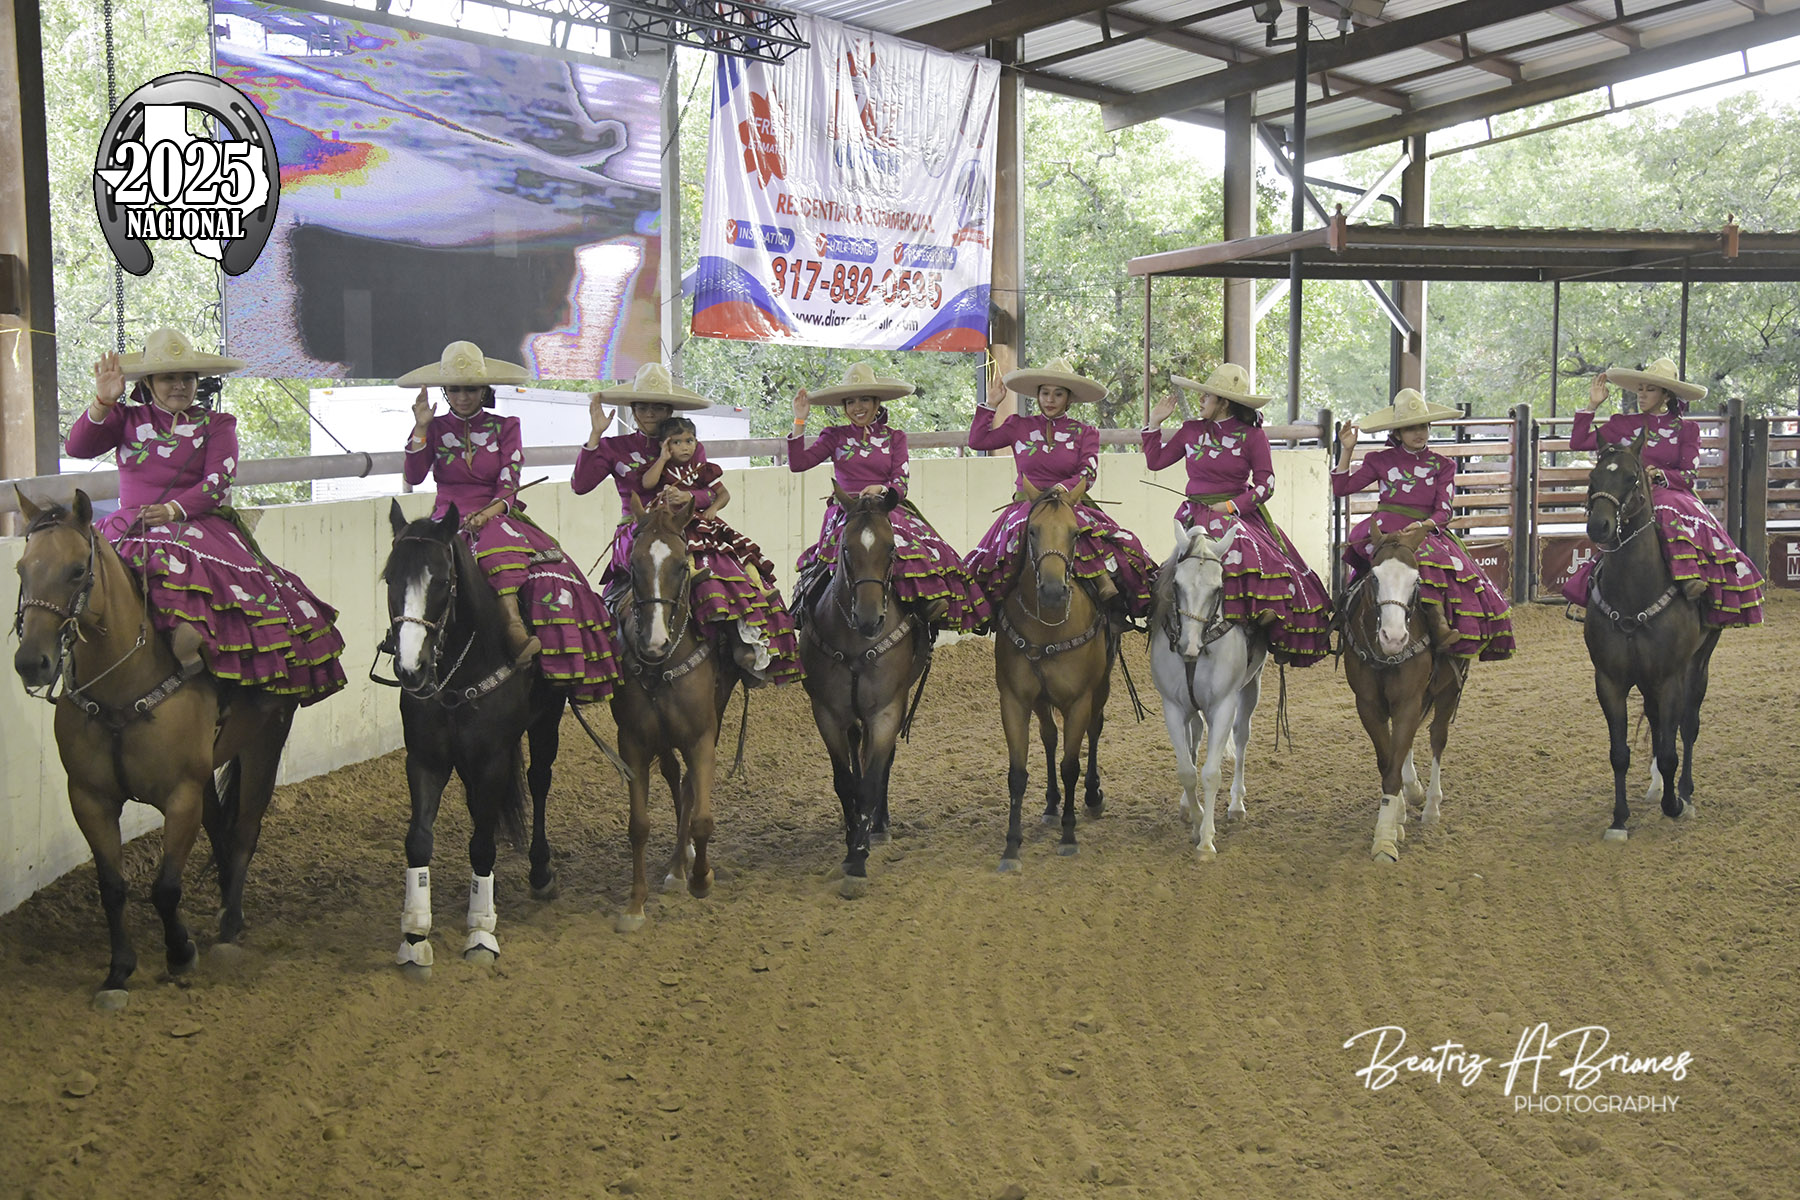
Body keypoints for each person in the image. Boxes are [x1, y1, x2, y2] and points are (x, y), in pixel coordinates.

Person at [64, 327, 346, 699]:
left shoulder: (217, 424)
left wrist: (173, 510)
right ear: (148, 382)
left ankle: (198, 651)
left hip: (194, 523)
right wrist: (102, 401)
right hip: (129, 524)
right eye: (168, 378)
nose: (179, 386)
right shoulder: (125, 418)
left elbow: (218, 480)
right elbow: (77, 447)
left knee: (180, 564)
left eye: (188, 377)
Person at [398, 340, 619, 698]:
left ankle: (516, 627)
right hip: (446, 519)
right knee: (410, 566)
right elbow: (414, 473)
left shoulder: (506, 426)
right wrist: (420, 426)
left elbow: (509, 483)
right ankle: (405, 642)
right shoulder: (432, 428)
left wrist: (488, 512)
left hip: (495, 512)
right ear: (445, 392)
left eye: (471, 389)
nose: (462, 397)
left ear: (484, 390)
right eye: (454, 389)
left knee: (517, 554)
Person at [1143, 363, 1330, 665]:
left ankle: (1259, 618)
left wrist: (1231, 507)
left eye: (1207, 396)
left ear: (1224, 403)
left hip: (1236, 514)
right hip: (1196, 512)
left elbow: (1267, 484)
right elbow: (1155, 461)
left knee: (1254, 552)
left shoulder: (1253, 436)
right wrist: (1154, 423)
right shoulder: (1190, 430)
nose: (1201, 400)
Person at [787, 361, 989, 633]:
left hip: (887, 507)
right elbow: (798, 463)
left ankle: (924, 606)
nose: (857, 407)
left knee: (917, 547)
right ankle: (806, 605)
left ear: (876, 402)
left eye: (864, 400)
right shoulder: (834, 436)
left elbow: (901, 482)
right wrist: (800, 420)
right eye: (850, 402)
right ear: (844, 407)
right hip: (847, 511)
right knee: (830, 559)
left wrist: (881, 489)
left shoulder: (895, 438)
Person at [1561, 358, 1764, 625]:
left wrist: (1660, 475)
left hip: (1671, 492)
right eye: (1640, 389)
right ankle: (1594, 583)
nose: (1642, 394)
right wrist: (1592, 405)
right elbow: (1578, 443)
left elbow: (1688, 476)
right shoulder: (1623, 423)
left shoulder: (1687, 429)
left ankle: (1690, 578)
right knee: (1604, 512)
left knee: (1667, 508)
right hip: (1630, 493)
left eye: (1650, 389)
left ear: (1666, 395)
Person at [963, 357, 1157, 625]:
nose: (1050, 400)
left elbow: (1088, 472)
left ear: (1069, 399)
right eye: (1045, 393)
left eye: (1058, 394)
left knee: (1109, 541)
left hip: (1068, 503)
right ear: (1037, 396)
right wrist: (991, 404)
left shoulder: (1085, 432)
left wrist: (1063, 488)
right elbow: (977, 441)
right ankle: (994, 609)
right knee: (1003, 546)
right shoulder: (1018, 425)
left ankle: (1112, 601)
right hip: (1026, 506)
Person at [1331, 388, 1514, 661]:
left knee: (1433, 563)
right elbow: (1342, 488)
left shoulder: (1443, 465)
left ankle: (1440, 624)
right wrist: (1347, 450)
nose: (1419, 433)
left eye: (1423, 426)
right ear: (1397, 433)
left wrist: (1424, 525)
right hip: (1383, 528)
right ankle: (1347, 615)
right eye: (1410, 428)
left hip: (1424, 531)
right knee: (1376, 565)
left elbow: (1444, 510)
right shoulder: (1379, 460)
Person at [629, 416, 803, 685]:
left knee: (730, 574)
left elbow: (723, 494)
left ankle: (742, 641)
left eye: (689, 440)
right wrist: (662, 458)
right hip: (671, 531)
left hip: (702, 530)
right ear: (665, 445)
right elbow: (647, 484)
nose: (685, 447)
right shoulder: (659, 468)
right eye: (677, 442)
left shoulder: (702, 468)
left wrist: (705, 505)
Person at [571, 361, 710, 596]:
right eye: (642, 408)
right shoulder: (613, 447)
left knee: (719, 574)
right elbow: (580, 486)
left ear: (669, 411)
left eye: (658, 408)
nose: (650, 414)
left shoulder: (689, 447)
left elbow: (711, 492)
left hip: (684, 528)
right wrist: (596, 434)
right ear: (633, 411)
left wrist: (688, 496)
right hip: (634, 531)